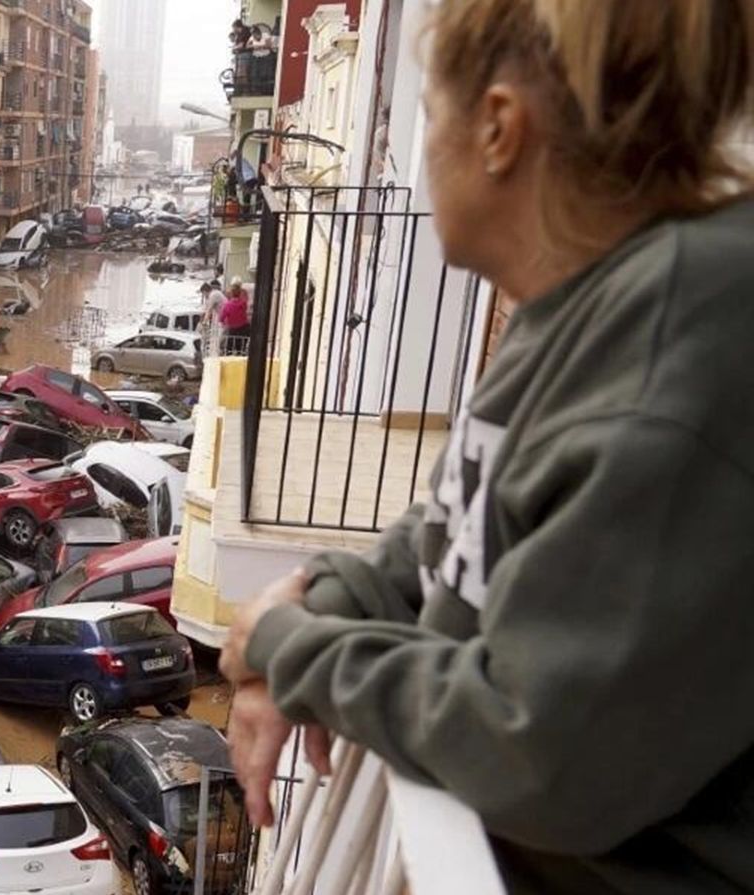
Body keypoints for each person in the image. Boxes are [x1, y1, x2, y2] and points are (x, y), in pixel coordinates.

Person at [218, 1, 753, 892]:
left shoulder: (677, 352)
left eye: (430, 117)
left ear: (499, 128)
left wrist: (289, 644)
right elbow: (459, 521)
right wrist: (334, 594)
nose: (425, 152)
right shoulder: (585, 305)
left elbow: (539, 753)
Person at [218, 278, 250, 352]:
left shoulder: (227, 305)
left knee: (229, 349)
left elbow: (221, 319)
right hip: (244, 329)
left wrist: (225, 322)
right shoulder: (243, 303)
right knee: (241, 349)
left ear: (231, 294)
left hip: (232, 331)